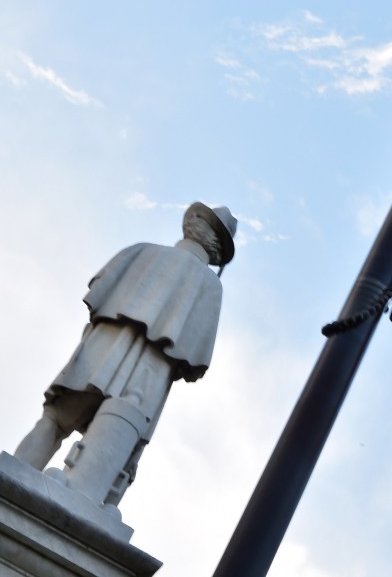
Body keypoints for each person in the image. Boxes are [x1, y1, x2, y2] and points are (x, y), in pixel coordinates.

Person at [13, 202, 237, 508]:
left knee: (56, 418)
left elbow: (99, 293)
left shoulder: (141, 250)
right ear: (217, 250)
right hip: (150, 367)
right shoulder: (210, 285)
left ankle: (18, 471)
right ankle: (82, 492)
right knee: (123, 412)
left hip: (105, 344)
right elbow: (194, 358)